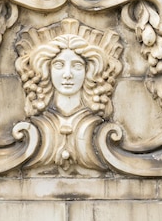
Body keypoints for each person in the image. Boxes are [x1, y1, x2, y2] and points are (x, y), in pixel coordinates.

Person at [14, 19, 122, 173]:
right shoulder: (42, 115)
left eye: (77, 66)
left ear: (89, 71)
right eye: (59, 65)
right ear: (46, 70)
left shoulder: (93, 115)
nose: (67, 75)